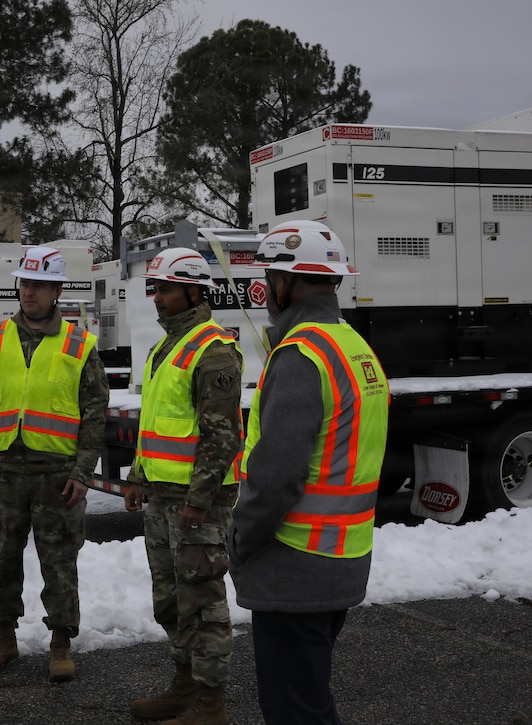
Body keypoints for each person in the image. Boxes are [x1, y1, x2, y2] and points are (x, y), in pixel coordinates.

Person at [228, 220, 390, 725]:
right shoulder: (354, 346)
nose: (266, 292)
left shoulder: (301, 355)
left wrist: (241, 540)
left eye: (269, 278)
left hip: (295, 565)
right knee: (310, 700)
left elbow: (277, 476)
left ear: (286, 284)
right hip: (342, 555)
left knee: (294, 710)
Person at [0, 245, 109, 683]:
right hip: (6, 470)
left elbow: (95, 413)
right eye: (25, 283)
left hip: (57, 475)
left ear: (58, 290)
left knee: (59, 561)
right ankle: (3, 638)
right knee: (4, 558)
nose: (30, 292)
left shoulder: (80, 344)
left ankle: (61, 643)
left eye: (40, 285)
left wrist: (84, 472)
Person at [123, 247, 244, 725]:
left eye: (166, 289)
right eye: (154, 288)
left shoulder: (214, 349)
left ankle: (211, 704)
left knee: (204, 602)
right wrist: (136, 477)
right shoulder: (166, 347)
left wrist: (200, 499)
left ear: (195, 291)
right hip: (162, 496)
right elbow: (155, 424)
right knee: (171, 598)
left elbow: (222, 436)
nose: (157, 297)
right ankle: (184, 687)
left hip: (199, 504)